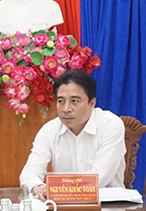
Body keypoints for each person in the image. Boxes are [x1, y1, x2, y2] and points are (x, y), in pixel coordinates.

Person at [19, 69, 126, 198]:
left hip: (109, 206)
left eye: (74, 101)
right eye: (61, 101)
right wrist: (39, 188)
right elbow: (29, 173)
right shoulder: (49, 130)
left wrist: (56, 189)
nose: (66, 109)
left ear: (92, 103)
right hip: (62, 206)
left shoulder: (110, 125)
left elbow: (99, 178)